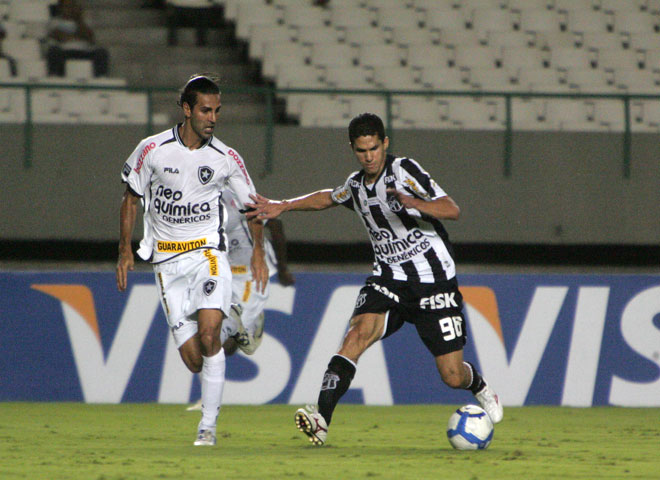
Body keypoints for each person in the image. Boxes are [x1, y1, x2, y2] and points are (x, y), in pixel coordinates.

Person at [247, 113, 503, 446]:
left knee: (452, 375)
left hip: (434, 281)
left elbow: (451, 209)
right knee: (356, 335)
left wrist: (413, 203)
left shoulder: (404, 171)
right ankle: (321, 418)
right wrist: (284, 205)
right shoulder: (356, 185)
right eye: (361, 150)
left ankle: (479, 386)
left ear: (385, 143)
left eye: (373, 149)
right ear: (353, 148)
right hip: (388, 279)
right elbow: (329, 197)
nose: (368, 157)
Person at [116, 73, 268, 446]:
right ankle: (235, 324)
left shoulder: (226, 158)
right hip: (167, 264)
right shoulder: (151, 149)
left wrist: (259, 254)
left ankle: (207, 429)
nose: (212, 118)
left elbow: (254, 206)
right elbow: (130, 198)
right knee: (195, 360)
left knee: (208, 334)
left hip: (207, 254)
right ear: (186, 109)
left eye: (217, 110)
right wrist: (124, 251)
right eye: (205, 110)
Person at [186, 192, 295, 411]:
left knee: (223, 339)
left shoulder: (240, 196)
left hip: (251, 275)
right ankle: (208, 397)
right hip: (223, 273)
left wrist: (282, 267)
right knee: (210, 336)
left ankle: (246, 327)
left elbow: (275, 224)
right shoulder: (197, 202)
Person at [45, 0, 109, 77]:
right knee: (53, 51)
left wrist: (79, 20)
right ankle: (54, 76)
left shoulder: (84, 21)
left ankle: (101, 77)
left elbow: (90, 38)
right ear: (60, 8)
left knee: (102, 52)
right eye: (66, 7)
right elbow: (59, 36)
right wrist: (77, 36)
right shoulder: (55, 22)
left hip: (84, 51)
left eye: (71, 6)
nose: (69, 9)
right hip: (64, 52)